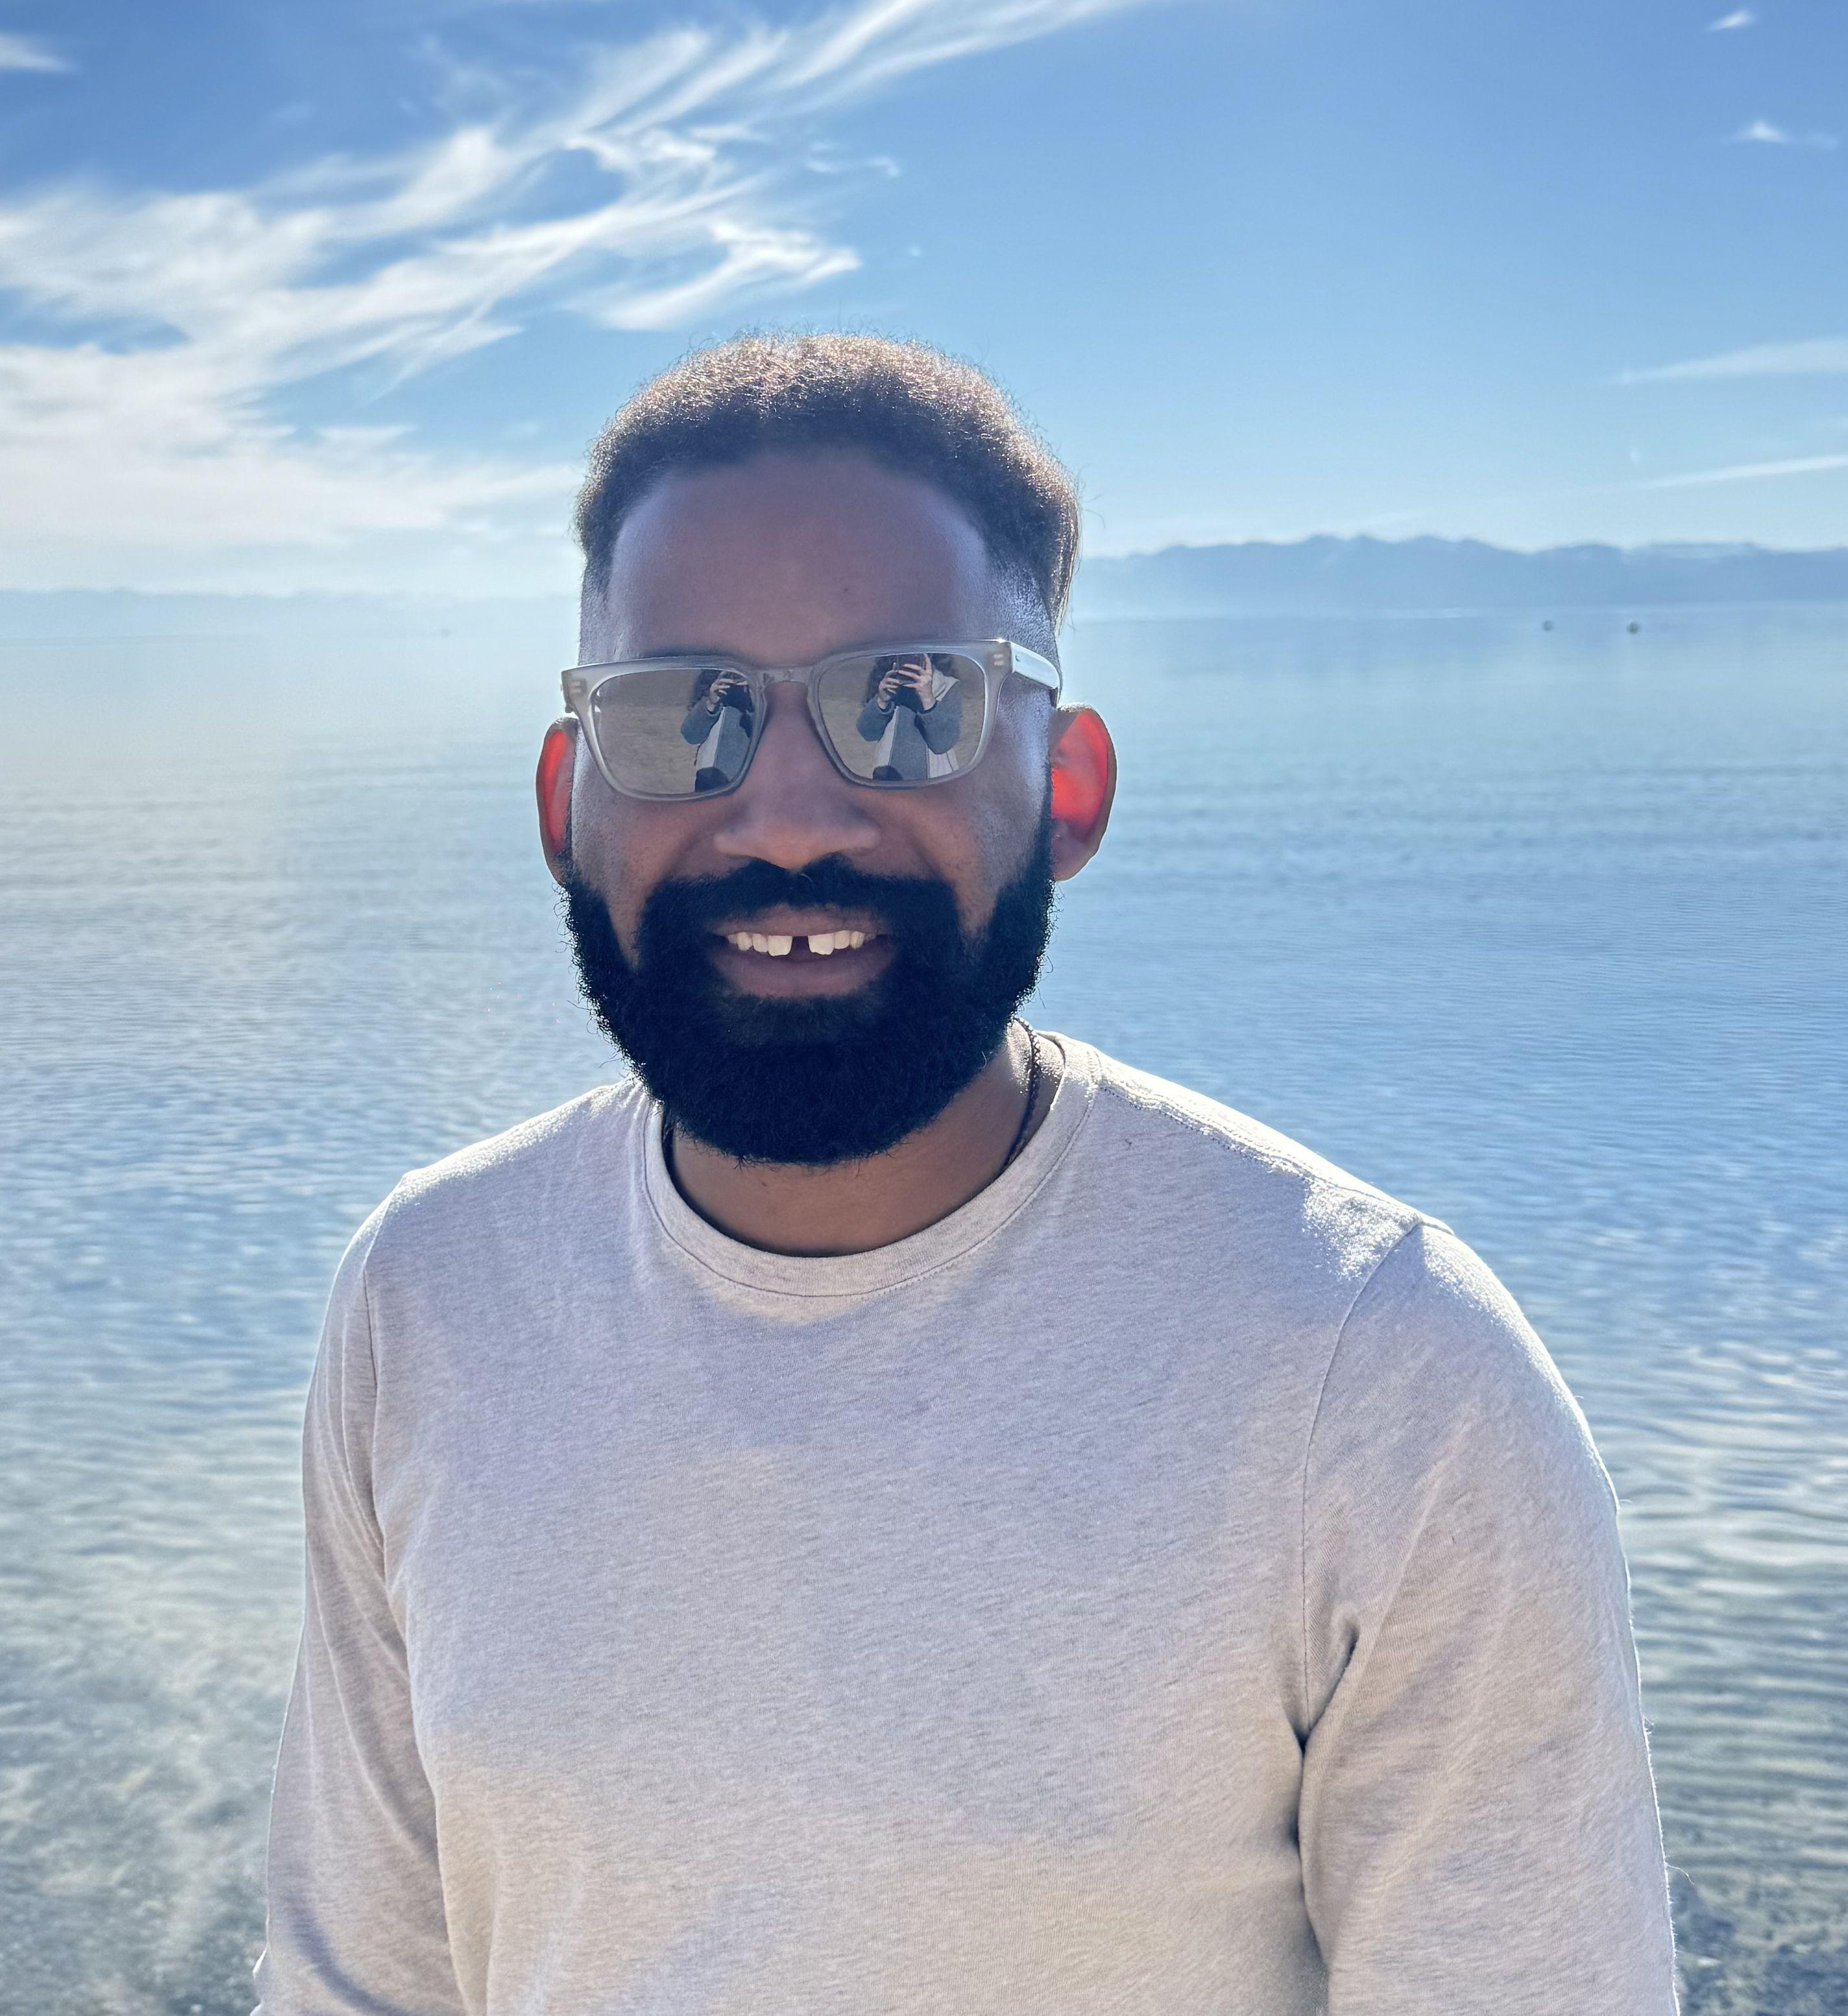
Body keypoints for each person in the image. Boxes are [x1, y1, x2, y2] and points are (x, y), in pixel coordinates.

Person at [252, 334, 1679, 2015]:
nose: (787, 816)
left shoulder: (1379, 1374)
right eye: (685, 713)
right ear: (570, 801)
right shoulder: (430, 1293)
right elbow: (364, 1977)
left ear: (1063, 785)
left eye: (908, 704)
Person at [854, 650, 965, 781]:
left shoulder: (948, 686)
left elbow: (943, 744)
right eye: (904, 652)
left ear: (931, 654)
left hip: (934, 781)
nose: (910, 657)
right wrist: (881, 701)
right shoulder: (887, 682)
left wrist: (928, 700)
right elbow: (867, 734)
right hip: (888, 779)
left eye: (917, 654)